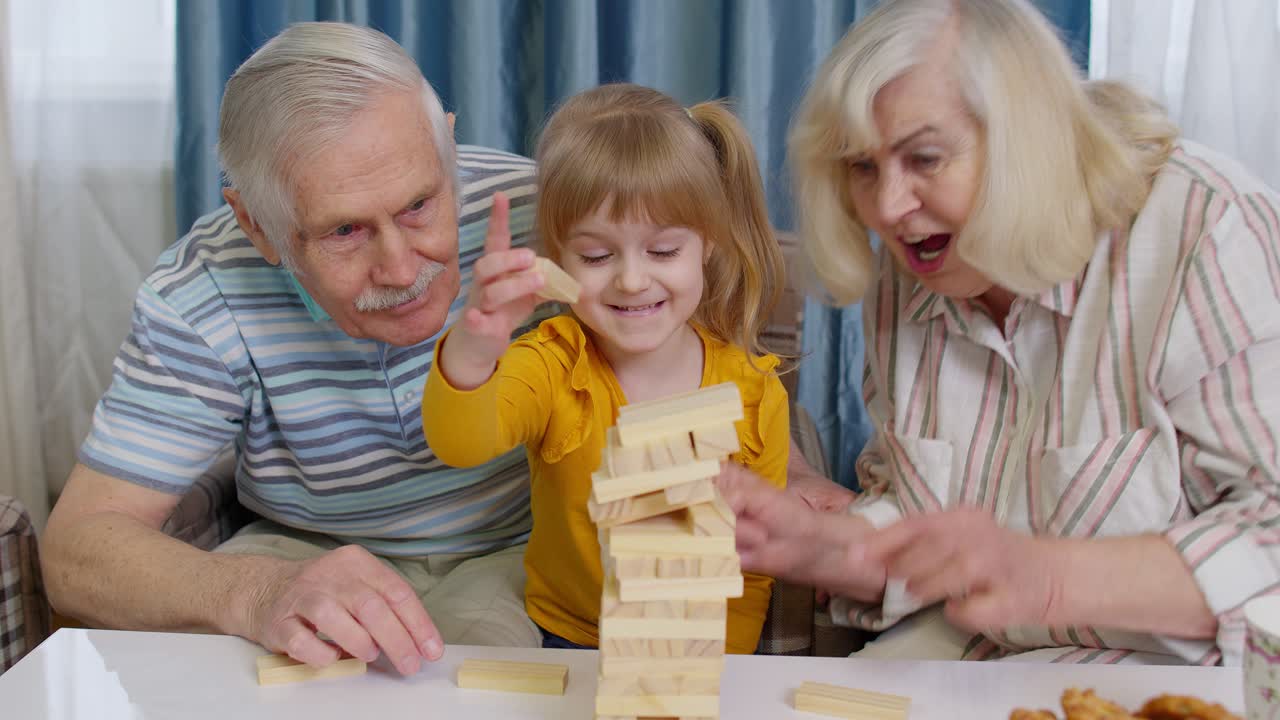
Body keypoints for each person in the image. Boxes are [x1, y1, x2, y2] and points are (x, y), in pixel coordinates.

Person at [720, 0, 1280, 666]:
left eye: (925, 158)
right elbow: (919, 518)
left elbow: (1269, 533)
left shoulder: (1208, 229)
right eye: (862, 167)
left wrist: (1047, 579)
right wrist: (827, 548)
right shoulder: (919, 255)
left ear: (1029, 141)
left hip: (1169, 674)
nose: (888, 208)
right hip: (964, 660)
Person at [39, 22, 551, 676]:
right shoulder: (199, 292)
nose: (402, 269)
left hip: (514, 547)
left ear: (446, 143)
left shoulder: (545, 211)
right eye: (345, 231)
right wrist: (259, 593)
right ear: (256, 225)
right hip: (303, 549)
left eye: (420, 204)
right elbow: (76, 551)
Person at [422, 83, 789, 654]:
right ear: (557, 258)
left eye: (663, 251)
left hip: (697, 650)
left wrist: (721, 661)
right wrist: (474, 347)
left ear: (709, 245)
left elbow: (755, 561)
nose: (632, 281)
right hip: (568, 634)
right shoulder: (552, 363)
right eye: (596, 256)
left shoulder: (755, 394)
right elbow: (460, 443)